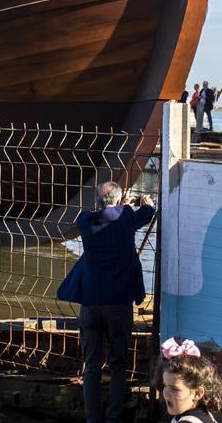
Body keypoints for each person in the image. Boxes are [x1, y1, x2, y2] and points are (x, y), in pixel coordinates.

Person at [58, 181, 156, 423]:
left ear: (97, 201)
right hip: (119, 304)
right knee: (118, 363)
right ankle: (113, 417)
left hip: (91, 305)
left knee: (91, 365)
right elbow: (149, 210)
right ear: (120, 200)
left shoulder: (85, 222)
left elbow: (101, 214)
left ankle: (93, 419)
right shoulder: (127, 219)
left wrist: (120, 205)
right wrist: (140, 203)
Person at [158, 338, 222, 423]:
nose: (166, 394)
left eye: (175, 389)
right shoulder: (204, 414)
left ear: (197, 393)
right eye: (165, 385)